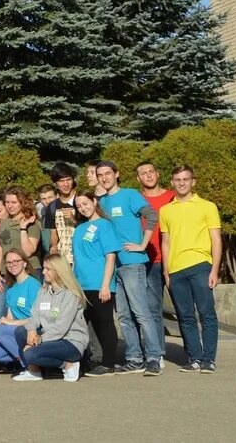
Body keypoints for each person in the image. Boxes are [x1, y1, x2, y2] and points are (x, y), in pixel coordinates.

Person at [96, 160, 163, 375]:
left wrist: (142, 245)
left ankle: (153, 357)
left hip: (133, 263)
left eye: (108, 173)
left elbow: (152, 215)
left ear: (117, 174)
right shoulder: (102, 202)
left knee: (142, 313)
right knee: (124, 316)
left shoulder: (130, 194)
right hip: (114, 266)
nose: (104, 177)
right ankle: (134, 358)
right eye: (100, 175)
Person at [160, 165, 222, 373]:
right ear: (172, 182)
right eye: (178, 179)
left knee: (206, 314)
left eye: (186, 179)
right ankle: (195, 358)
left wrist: (214, 270)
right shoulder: (166, 210)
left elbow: (216, 239)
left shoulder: (207, 206)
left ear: (193, 181)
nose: (182, 183)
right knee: (185, 317)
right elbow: (165, 242)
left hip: (200, 266)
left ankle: (208, 359)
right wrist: (166, 272)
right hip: (176, 271)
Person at [12, 254, 89, 382]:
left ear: (58, 270)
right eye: (43, 268)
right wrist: (31, 331)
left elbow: (61, 327)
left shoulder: (71, 294)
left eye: (48, 269)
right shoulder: (43, 291)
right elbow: (34, 315)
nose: (43, 272)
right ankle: (34, 371)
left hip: (70, 341)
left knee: (30, 353)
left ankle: (69, 364)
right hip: (51, 338)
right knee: (21, 331)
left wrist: (39, 340)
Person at [70, 191, 120, 376]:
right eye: (79, 206)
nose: (83, 208)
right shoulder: (80, 228)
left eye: (85, 203)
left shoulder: (104, 225)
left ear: (94, 201)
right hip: (81, 285)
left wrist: (106, 285)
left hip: (99, 284)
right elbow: (77, 259)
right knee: (81, 325)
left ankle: (108, 363)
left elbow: (110, 256)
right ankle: (84, 361)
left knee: (104, 324)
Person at [136, 160, 174, 353]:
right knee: (153, 309)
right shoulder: (136, 200)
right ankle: (157, 352)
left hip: (174, 260)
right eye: (143, 173)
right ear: (138, 178)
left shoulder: (173, 197)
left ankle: (193, 354)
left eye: (151, 171)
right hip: (149, 260)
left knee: (184, 311)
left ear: (158, 174)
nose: (148, 175)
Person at [0, 249, 40, 371]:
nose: (12, 264)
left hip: (32, 329)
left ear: (25, 263)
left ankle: (27, 364)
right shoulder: (11, 287)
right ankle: (28, 357)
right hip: (16, 330)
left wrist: (9, 323)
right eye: (9, 262)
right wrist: (2, 322)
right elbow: (10, 316)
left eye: (16, 261)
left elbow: (37, 318)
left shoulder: (33, 285)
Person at [0, 186, 42, 317]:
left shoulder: (32, 222)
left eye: (13, 202)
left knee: (26, 312)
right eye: (7, 202)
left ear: (22, 202)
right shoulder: (4, 223)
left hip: (28, 272)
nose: (10, 206)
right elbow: (1, 248)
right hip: (7, 273)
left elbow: (28, 251)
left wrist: (23, 228)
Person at [42, 161, 80, 264]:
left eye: (69, 180)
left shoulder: (82, 201)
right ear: (55, 184)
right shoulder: (52, 207)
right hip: (64, 260)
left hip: (83, 257)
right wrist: (54, 247)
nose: (66, 184)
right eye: (62, 181)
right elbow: (54, 233)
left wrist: (74, 220)